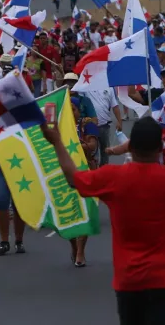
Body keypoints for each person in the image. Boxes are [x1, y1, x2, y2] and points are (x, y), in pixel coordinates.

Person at [42, 116, 165, 325]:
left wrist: (57, 142)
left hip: (128, 282)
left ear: (130, 147)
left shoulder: (111, 177)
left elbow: (73, 178)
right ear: (160, 148)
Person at [69, 96, 100, 267]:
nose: (71, 112)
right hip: (66, 174)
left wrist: (76, 144)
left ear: (79, 110)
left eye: (73, 109)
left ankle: (81, 251)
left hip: (87, 171)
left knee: (85, 212)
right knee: (69, 213)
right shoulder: (59, 127)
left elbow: (92, 146)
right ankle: (73, 245)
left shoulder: (87, 124)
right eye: (68, 109)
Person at [83, 87, 122, 166]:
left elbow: (115, 106)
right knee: (92, 152)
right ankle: (95, 172)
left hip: (104, 126)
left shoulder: (109, 88)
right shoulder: (86, 86)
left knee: (105, 151)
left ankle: (104, 171)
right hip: (90, 127)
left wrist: (119, 121)